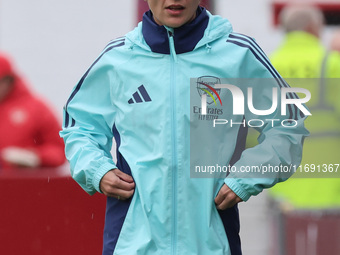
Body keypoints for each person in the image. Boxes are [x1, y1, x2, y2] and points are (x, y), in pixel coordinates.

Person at [60, 1, 308, 254]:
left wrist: (246, 178)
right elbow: (79, 126)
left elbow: (288, 124)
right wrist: (97, 170)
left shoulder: (238, 54)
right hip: (131, 243)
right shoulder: (117, 58)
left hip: (212, 242)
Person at [268, 4, 340, 209]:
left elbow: (252, 135)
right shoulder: (331, 63)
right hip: (331, 188)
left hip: (283, 190)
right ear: (312, 28)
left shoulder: (267, 66)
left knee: (290, 241)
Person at [0, 53, 66, 169]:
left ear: (8, 80)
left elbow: (60, 151)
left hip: (25, 183)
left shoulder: (36, 109)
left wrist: (36, 157)